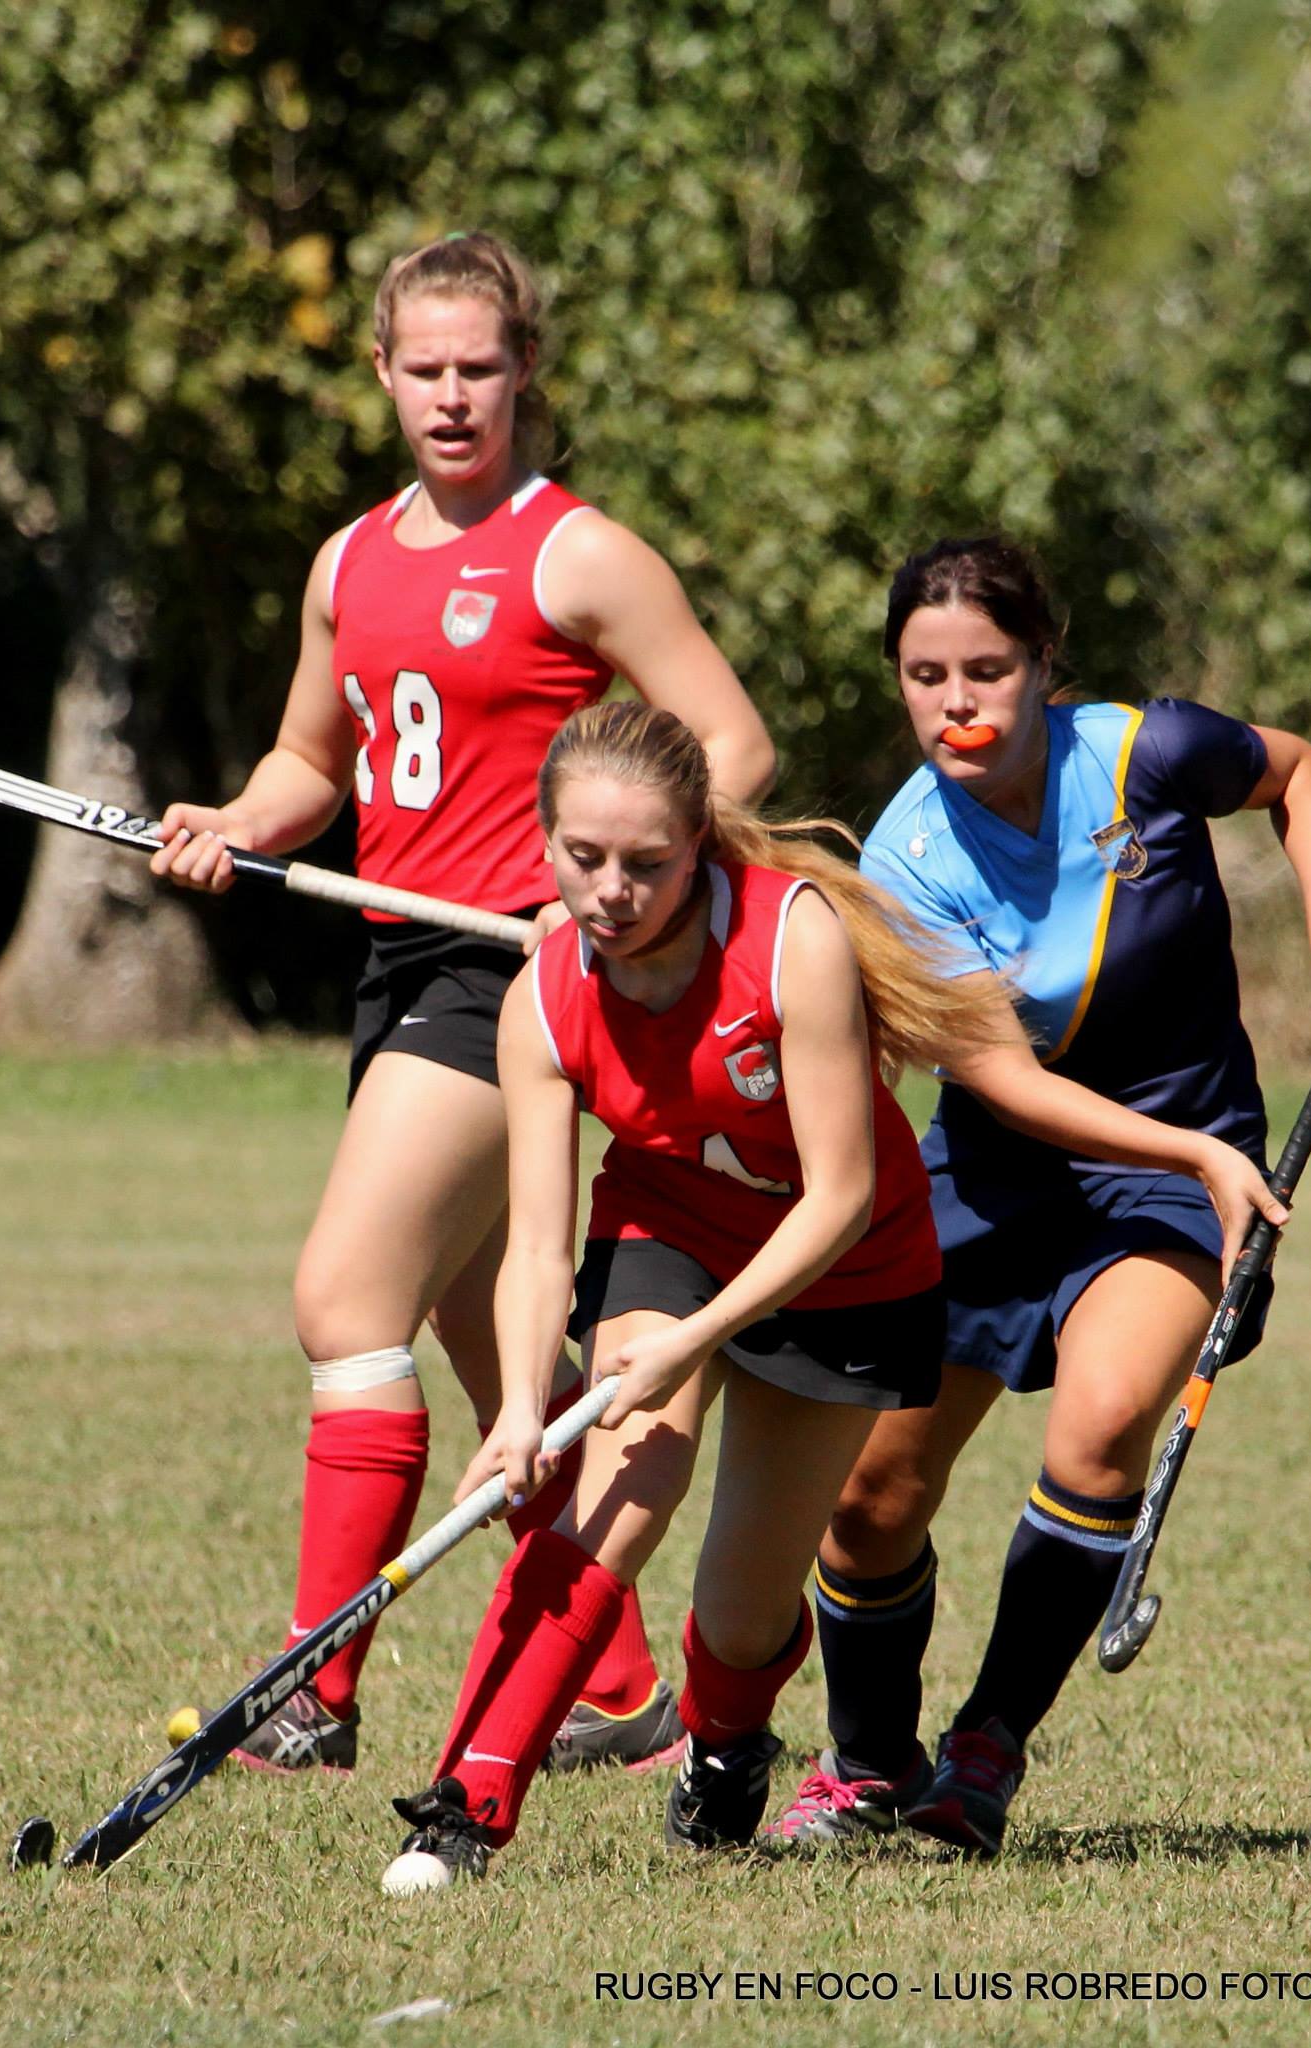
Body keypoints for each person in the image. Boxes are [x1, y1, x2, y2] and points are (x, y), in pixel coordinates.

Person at [150, 232, 774, 1775]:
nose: (450, 397)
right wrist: (235, 821)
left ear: (523, 375)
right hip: (396, 960)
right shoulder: (348, 562)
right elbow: (316, 761)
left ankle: (313, 1688)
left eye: (478, 369)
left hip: (513, 968)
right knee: (494, 1347)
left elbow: (733, 750)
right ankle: (623, 1684)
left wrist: (614, 906)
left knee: (344, 1295)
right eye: (421, 369)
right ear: (379, 372)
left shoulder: (578, 554)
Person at [766, 535, 1311, 1854]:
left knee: (1099, 1428)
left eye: (985, 669)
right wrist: (1204, 1160)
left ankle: (982, 1755)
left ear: (1042, 663)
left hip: (1175, 1172)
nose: (955, 701)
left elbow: (1300, 772)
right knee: (869, 1498)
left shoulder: (1143, 754)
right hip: (997, 1169)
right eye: (923, 674)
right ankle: (869, 1761)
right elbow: (996, 1078)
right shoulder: (900, 859)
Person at [377, 701, 1010, 1887]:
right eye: (583, 857)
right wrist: (521, 1404)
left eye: (646, 863)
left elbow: (839, 1193)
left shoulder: (792, 938)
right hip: (669, 1226)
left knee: (739, 1607)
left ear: (698, 842)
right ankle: (468, 1796)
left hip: (847, 1269)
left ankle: (726, 1740)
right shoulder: (543, 995)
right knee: (616, 1490)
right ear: (547, 839)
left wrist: (700, 1341)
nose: (610, 890)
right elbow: (534, 1246)